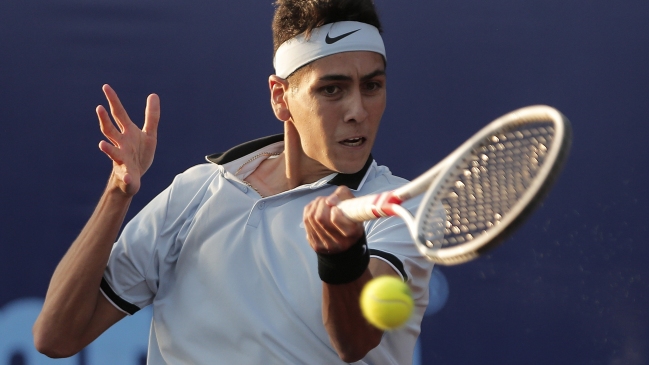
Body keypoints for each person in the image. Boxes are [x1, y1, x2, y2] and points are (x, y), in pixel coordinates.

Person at [33, 0, 434, 363]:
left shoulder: (402, 207)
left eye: (372, 86)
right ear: (281, 97)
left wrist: (340, 255)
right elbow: (56, 337)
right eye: (332, 89)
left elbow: (355, 341)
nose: (357, 111)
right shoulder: (193, 194)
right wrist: (117, 192)